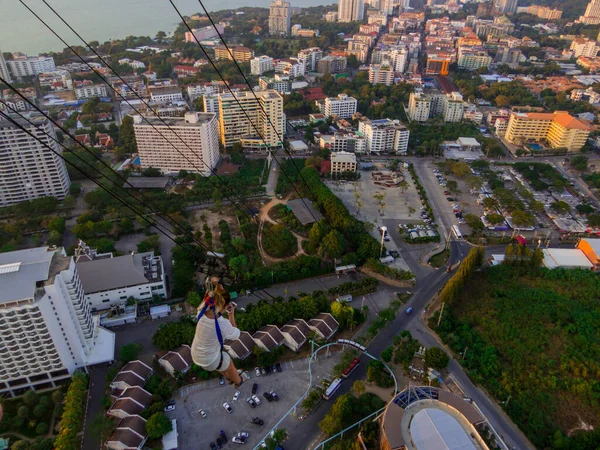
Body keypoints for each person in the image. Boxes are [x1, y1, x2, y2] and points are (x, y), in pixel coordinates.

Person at [191, 281, 247, 387]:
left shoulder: (201, 310)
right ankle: (238, 381)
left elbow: (212, 296)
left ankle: (229, 377)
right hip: (209, 360)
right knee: (228, 363)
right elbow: (236, 335)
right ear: (225, 306)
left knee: (220, 361)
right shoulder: (223, 325)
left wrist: (218, 286)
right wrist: (231, 316)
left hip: (196, 354)